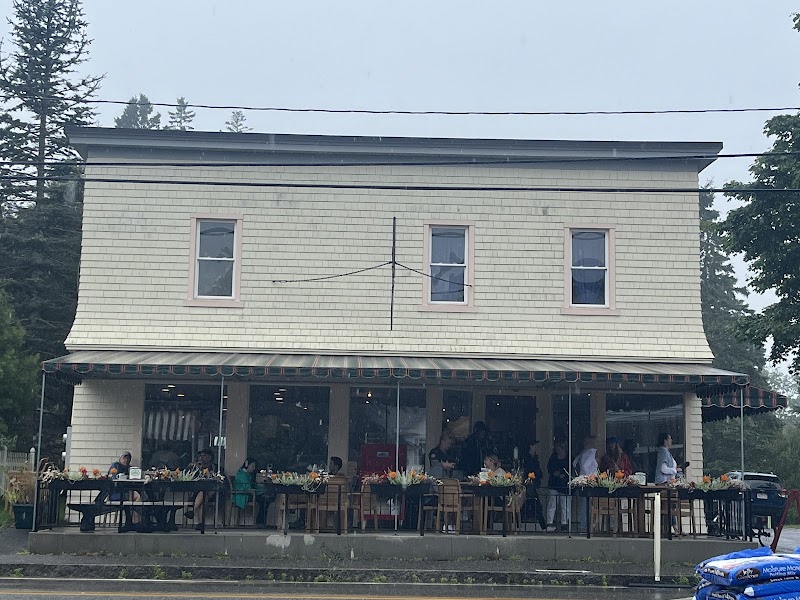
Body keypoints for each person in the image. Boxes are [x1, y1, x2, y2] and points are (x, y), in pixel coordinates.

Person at [189, 448, 222, 529]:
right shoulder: (196, 467)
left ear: (210, 457)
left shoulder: (215, 467)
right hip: (197, 492)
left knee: (204, 494)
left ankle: (193, 512)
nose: (202, 458)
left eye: (204, 456)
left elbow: (220, 480)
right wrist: (193, 467)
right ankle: (200, 523)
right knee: (203, 497)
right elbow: (189, 477)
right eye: (200, 456)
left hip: (213, 493)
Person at [232, 458, 270, 527]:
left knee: (265, 499)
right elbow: (247, 488)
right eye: (252, 466)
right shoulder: (242, 475)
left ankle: (261, 522)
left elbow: (253, 486)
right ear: (247, 465)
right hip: (242, 496)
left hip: (249, 494)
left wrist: (262, 490)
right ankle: (260, 522)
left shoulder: (248, 474)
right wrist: (260, 491)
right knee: (263, 500)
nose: (254, 468)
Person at [572, 435, 598, 532]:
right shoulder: (590, 453)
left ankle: (584, 524)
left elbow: (575, 463)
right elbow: (585, 466)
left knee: (585, 503)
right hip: (589, 482)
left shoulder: (584, 453)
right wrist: (590, 476)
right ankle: (584, 525)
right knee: (587, 504)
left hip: (585, 480)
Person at [522, 439, 547, 531]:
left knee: (531, 503)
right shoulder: (527, 458)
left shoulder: (535, 458)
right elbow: (529, 469)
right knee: (535, 504)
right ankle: (543, 526)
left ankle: (543, 526)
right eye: (535, 446)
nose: (537, 448)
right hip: (529, 483)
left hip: (534, 483)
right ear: (531, 446)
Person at [546, 439, 570, 532]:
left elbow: (571, 468)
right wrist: (554, 473)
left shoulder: (568, 457)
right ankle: (550, 523)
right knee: (552, 503)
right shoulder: (553, 457)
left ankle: (564, 524)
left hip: (564, 484)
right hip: (554, 483)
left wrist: (564, 474)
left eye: (560, 448)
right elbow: (549, 468)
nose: (558, 450)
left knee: (565, 504)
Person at [108, 451, 140, 520]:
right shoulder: (115, 465)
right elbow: (114, 479)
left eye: (128, 458)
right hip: (116, 492)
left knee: (142, 496)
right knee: (138, 497)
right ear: (120, 458)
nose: (126, 460)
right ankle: (134, 520)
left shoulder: (131, 469)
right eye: (124, 458)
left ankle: (131, 520)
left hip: (127, 491)